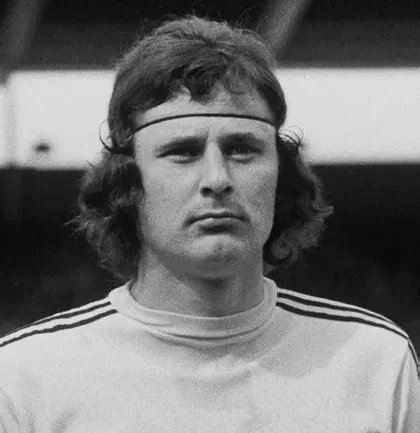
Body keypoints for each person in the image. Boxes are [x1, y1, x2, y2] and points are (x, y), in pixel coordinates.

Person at [0, 15, 418, 433]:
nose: (217, 179)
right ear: (126, 183)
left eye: (242, 149)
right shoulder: (25, 380)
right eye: (182, 152)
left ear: (281, 176)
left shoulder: (375, 362)